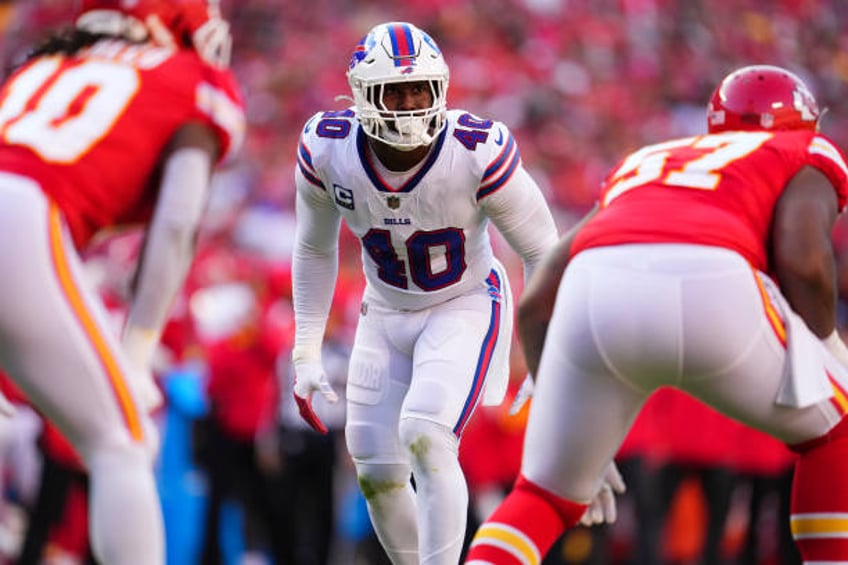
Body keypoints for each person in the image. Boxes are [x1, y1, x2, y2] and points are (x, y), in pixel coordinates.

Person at [465, 64, 848, 564]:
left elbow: (538, 299)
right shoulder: (803, 148)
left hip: (593, 288)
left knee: (543, 495)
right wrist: (828, 348)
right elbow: (804, 258)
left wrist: (563, 409)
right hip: (714, 280)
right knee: (834, 434)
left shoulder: (646, 159)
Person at [290, 20, 561, 565]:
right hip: (383, 308)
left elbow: (544, 252)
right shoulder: (328, 147)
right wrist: (305, 346)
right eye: (397, 91)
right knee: (374, 465)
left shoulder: (476, 151)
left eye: (421, 89)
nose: (411, 104)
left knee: (426, 434)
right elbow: (315, 249)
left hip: (463, 303)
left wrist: (544, 353)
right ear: (365, 94)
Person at [0, 0, 245, 563]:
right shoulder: (187, 79)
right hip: (22, 215)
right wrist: (136, 350)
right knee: (123, 441)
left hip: (26, 212)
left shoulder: (38, 65)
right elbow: (178, 225)